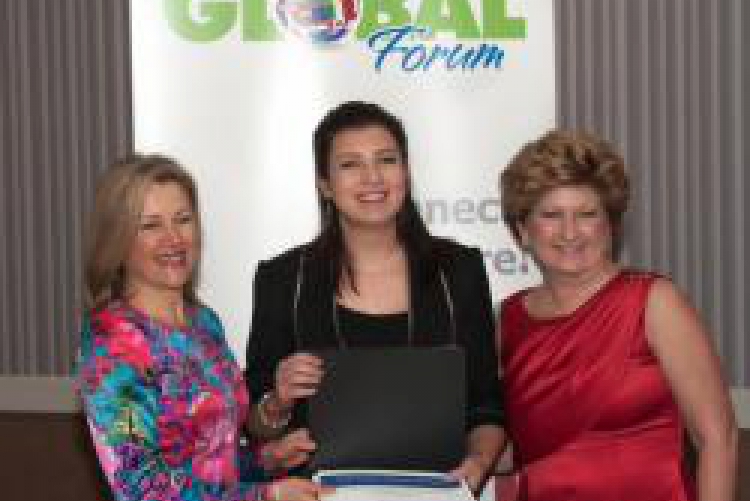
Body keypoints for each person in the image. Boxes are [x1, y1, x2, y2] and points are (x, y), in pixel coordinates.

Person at [244, 101, 506, 492]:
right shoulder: (283, 279)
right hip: (319, 494)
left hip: (435, 492)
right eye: (350, 164)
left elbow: (485, 402)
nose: (372, 177)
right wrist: (277, 402)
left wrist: (480, 461)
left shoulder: (459, 270)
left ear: (406, 172)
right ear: (325, 185)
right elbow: (255, 424)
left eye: (386, 160)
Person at [497, 130, 737, 501]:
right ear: (522, 231)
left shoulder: (655, 302)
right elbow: (519, 451)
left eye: (587, 214)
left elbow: (718, 438)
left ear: (611, 225)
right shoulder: (507, 319)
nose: (570, 232)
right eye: (552, 215)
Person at [77, 155, 329, 501]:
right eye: (150, 226)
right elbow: (140, 489)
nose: (174, 239)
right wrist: (263, 496)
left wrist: (267, 459)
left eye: (183, 220)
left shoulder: (204, 323)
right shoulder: (114, 342)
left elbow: (211, 461)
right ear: (118, 242)